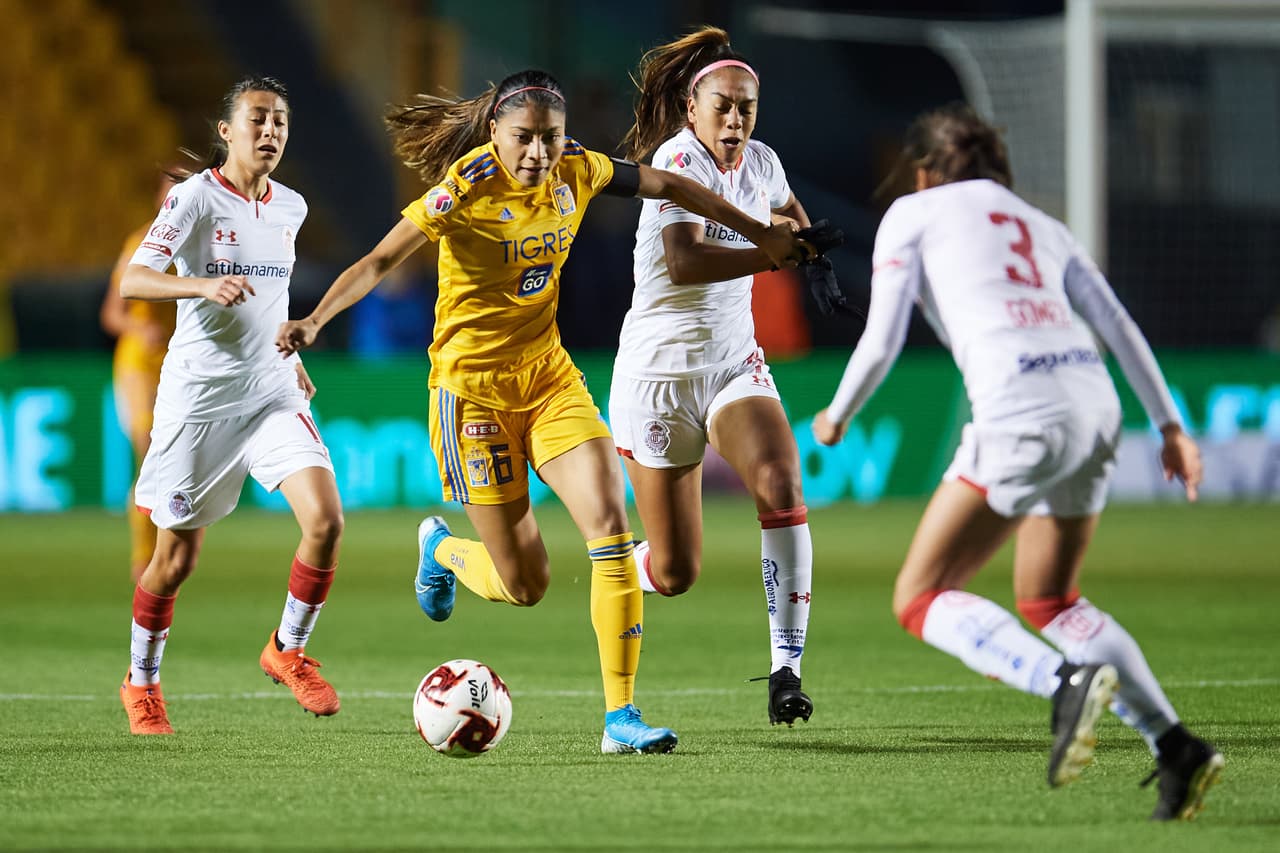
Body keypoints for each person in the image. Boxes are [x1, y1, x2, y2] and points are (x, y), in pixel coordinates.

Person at [275, 69, 811, 754]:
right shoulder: (464, 189)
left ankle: (620, 718)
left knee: (611, 528)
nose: (537, 153)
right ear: (495, 133)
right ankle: (441, 549)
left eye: (550, 138)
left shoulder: (579, 169)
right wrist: (315, 319)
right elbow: (380, 260)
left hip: (549, 379)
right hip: (472, 395)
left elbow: (673, 186)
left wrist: (760, 232)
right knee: (525, 583)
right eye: (523, 138)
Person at [811, 103, 1223, 820]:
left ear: (922, 171)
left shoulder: (914, 213)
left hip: (1020, 406)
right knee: (1051, 599)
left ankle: (1062, 682)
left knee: (920, 596)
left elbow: (883, 337)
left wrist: (837, 413)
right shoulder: (1042, 223)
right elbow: (1115, 321)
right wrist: (1170, 426)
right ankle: (1176, 746)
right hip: (1093, 402)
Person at [608, 27, 847, 726]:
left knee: (782, 483)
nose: (736, 119)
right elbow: (684, 262)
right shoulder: (676, 160)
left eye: (747, 107)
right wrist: (772, 253)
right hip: (658, 377)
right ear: (693, 109)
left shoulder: (762, 162)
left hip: (732, 365)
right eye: (724, 106)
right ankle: (612, 572)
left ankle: (786, 671)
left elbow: (791, 215)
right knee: (675, 572)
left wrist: (811, 253)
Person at [118, 76, 345, 735]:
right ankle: (141, 680)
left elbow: (272, 296)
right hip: (200, 402)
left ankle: (287, 649)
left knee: (326, 519)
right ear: (227, 131)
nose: (270, 131)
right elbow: (134, 277)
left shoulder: (291, 207)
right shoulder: (194, 197)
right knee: (174, 563)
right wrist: (200, 284)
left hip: (271, 391)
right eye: (257, 119)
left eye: (280, 122)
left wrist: (293, 359)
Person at [100, 175, 179, 583]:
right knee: (149, 450)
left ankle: (163, 552)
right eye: (170, 189)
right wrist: (139, 328)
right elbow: (112, 314)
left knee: (170, 461)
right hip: (138, 365)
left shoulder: (201, 244)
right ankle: (143, 557)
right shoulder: (140, 243)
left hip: (178, 365)